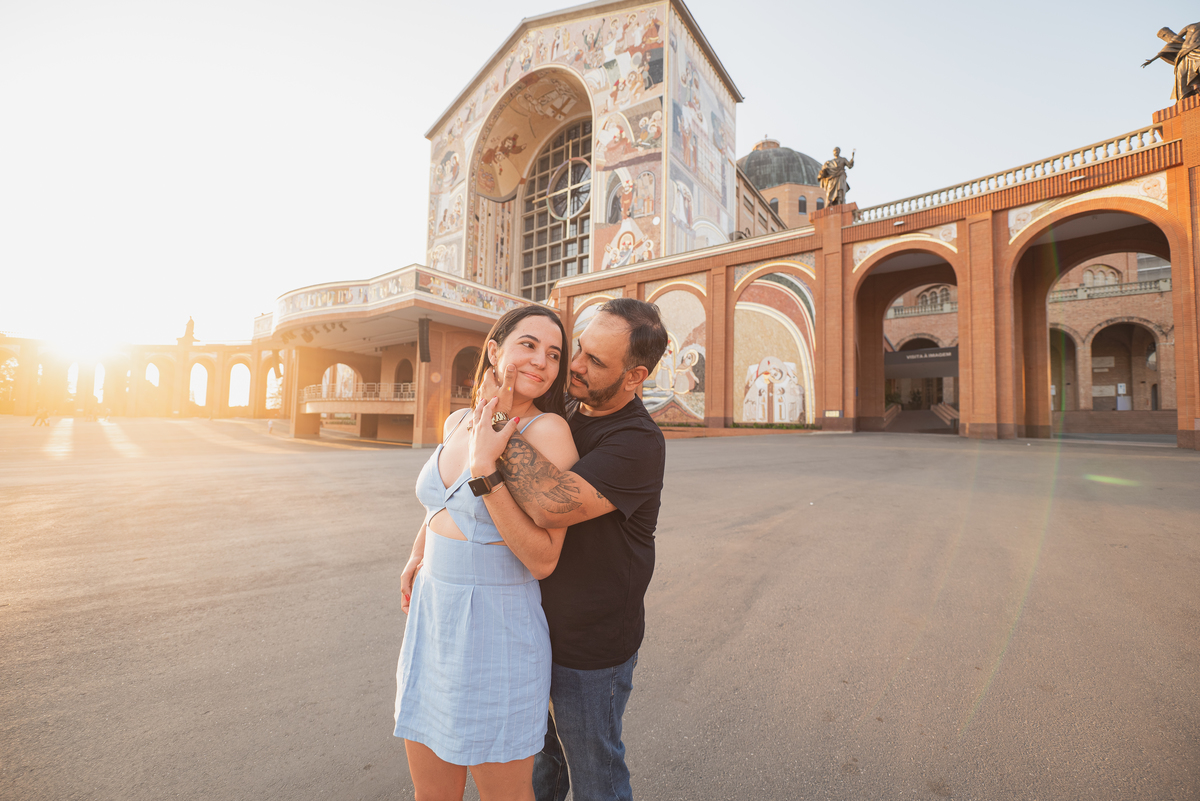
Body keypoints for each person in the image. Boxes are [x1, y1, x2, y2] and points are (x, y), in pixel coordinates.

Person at [470, 298, 669, 801]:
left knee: (595, 773)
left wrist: (493, 423)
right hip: (530, 627)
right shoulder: (564, 412)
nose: (574, 366)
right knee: (543, 766)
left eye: (595, 361)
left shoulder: (637, 442)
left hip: (590, 647)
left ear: (634, 376)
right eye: (577, 350)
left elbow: (547, 506)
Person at [395, 305, 579, 801]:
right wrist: (420, 550)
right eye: (528, 345)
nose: (542, 361)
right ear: (494, 351)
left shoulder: (548, 434)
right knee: (431, 793)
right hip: (434, 621)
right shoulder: (459, 419)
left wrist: (485, 464)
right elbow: (442, 500)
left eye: (554, 354)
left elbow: (543, 559)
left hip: (499, 624)